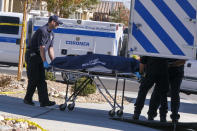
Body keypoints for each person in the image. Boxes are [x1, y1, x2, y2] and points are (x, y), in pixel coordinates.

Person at [23, 15, 63, 107]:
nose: (58, 25)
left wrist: (53, 61)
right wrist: (45, 61)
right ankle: (27, 99)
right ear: (52, 22)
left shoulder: (52, 34)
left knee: (41, 79)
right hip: (33, 55)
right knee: (34, 78)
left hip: (39, 56)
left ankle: (44, 101)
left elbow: (50, 49)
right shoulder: (43, 31)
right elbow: (42, 48)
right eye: (57, 23)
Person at [133, 56, 169, 122]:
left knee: (142, 92)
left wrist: (141, 73)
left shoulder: (149, 47)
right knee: (161, 95)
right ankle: (159, 116)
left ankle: (137, 113)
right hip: (163, 72)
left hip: (150, 72)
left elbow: (142, 63)